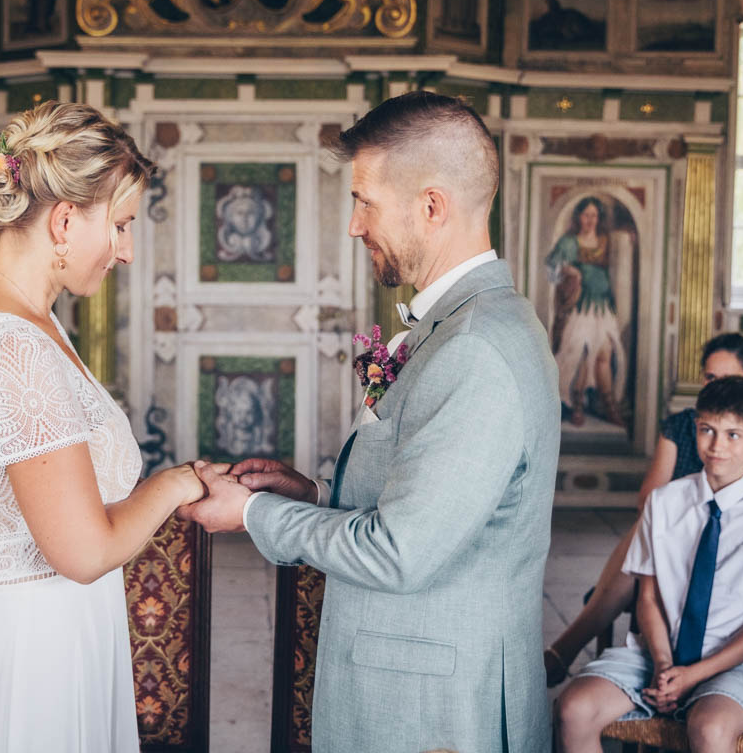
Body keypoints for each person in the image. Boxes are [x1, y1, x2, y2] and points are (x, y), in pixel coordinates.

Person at [182, 91, 560, 753]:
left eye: (366, 202)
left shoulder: (473, 348)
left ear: (432, 206)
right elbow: (432, 504)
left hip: (436, 711)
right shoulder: (467, 325)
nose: (355, 225)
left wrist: (252, 513)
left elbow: (400, 551)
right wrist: (315, 496)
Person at [0, 102, 205, 753]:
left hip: (53, 631)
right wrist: (178, 483)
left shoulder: (23, 321)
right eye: (120, 226)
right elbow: (83, 552)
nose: (126, 252)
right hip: (31, 659)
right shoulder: (12, 345)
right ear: (65, 221)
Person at [555, 376, 743, 753]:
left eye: (733, 435)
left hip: (739, 665)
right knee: (573, 709)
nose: (717, 446)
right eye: (707, 430)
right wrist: (663, 664)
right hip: (656, 654)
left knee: (710, 727)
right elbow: (648, 599)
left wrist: (692, 675)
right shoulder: (664, 502)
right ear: (695, 427)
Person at [544, 333, 743, 685]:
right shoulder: (684, 425)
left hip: (737, 539)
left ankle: (566, 649)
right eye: (710, 378)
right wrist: (681, 508)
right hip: (676, 524)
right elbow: (649, 496)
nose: (718, 386)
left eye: (728, 377)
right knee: (649, 525)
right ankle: (575, 649)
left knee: (653, 535)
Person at [545, 196, 625, 426]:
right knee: (580, 352)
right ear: (579, 217)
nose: (590, 220)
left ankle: (609, 406)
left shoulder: (605, 241)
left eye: (594, 215)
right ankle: (576, 404)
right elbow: (552, 268)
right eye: (586, 215)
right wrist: (569, 270)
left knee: (604, 353)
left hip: (602, 306)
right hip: (580, 307)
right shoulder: (570, 242)